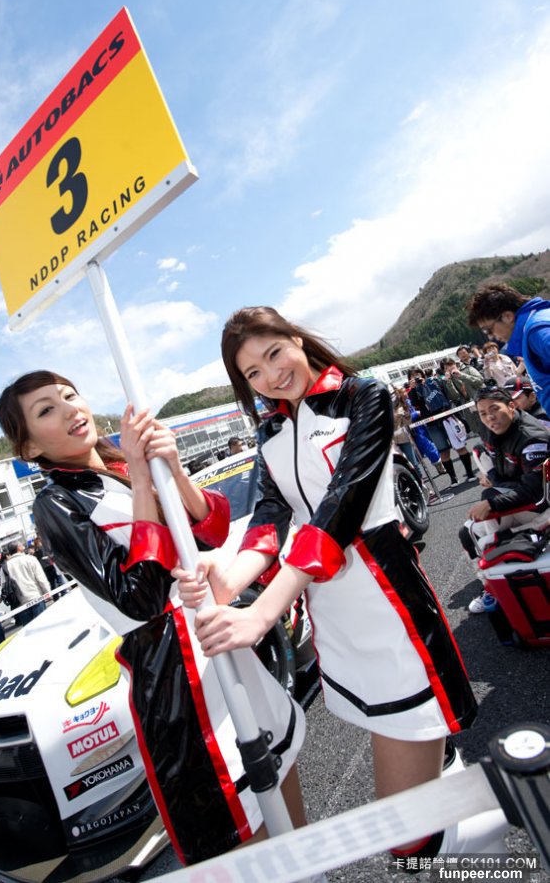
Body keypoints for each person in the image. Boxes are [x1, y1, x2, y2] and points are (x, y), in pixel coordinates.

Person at [175, 307, 506, 859]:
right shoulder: (270, 430)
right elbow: (269, 519)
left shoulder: (363, 396)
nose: (271, 375)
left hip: (391, 613)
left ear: (296, 339)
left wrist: (263, 613)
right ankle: (468, 814)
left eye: (274, 353)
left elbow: (340, 509)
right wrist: (228, 580)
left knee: (408, 842)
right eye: (253, 372)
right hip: (336, 626)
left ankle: (510, 803)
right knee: (425, 778)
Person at [0, 370, 305, 866]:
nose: (70, 409)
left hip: (216, 636)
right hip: (173, 671)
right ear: (29, 447)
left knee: (280, 771)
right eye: (46, 410)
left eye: (70, 395)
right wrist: (141, 478)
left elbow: (210, 530)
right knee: (239, 820)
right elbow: (138, 596)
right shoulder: (55, 504)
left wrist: (172, 468)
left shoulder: (119, 467)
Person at [459, 386, 550, 613]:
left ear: (511, 406)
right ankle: (491, 584)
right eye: (482, 413)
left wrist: (492, 503)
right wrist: (492, 480)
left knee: (478, 534)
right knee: (468, 531)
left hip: (540, 507)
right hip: (517, 492)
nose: (489, 417)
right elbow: (498, 465)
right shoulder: (493, 428)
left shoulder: (532, 437)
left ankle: (494, 587)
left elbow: (534, 493)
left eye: (494, 409)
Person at [467, 282, 550, 415]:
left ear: (507, 317)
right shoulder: (536, 323)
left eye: (488, 330)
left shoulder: (538, 332)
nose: (491, 337)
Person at [407, 367, 475, 486]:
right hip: (432, 423)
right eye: (413, 376)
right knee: (443, 451)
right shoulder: (413, 391)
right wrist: (413, 389)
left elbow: (447, 394)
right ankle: (453, 478)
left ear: (422, 374)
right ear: (409, 379)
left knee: (460, 446)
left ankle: (470, 474)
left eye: (417, 374)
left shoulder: (433, 381)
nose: (416, 377)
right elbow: (415, 404)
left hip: (448, 417)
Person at [2, 541, 50, 626]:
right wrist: (47, 592)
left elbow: (3, 585)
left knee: (29, 630)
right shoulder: (30, 559)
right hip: (36, 596)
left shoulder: (6, 566)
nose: (23, 546)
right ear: (18, 548)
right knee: (43, 626)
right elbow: (41, 579)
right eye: (21, 545)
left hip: (20, 603)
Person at [439, 357, 484, 438]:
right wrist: (449, 382)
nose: (449, 368)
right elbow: (455, 396)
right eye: (446, 368)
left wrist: (461, 375)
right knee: (480, 431)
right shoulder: (449, 379)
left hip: (481, 401)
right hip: (468, 406)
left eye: (450, 365)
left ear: (455, 363)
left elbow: (480, 381)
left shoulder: (467, 369)